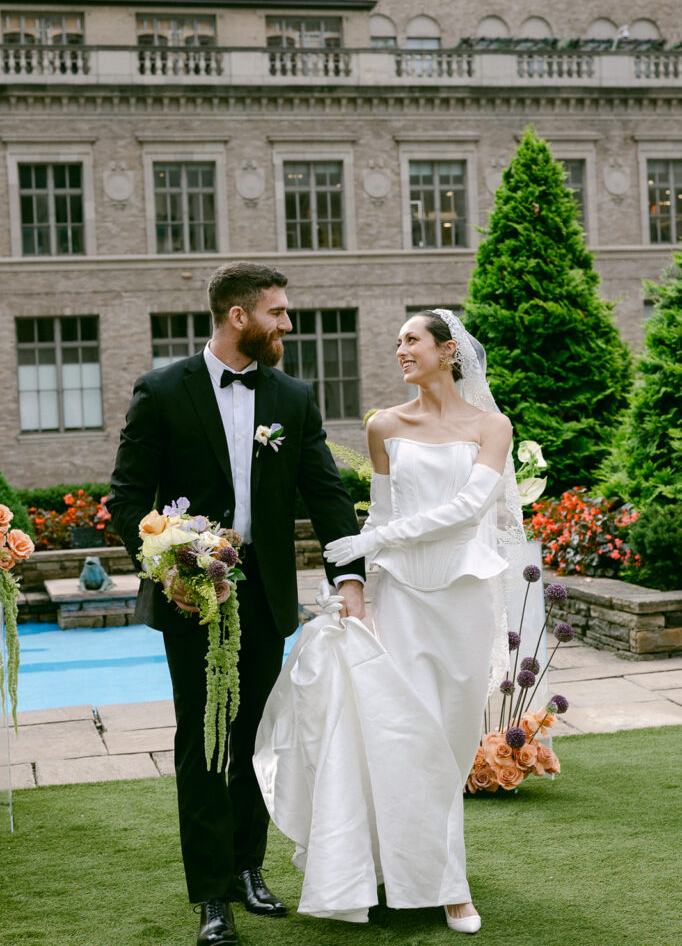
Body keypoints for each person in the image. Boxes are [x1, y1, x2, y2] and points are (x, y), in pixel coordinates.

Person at [108, 261, 365, 946]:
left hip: (265, 596)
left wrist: (352, 576)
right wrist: (172, 558)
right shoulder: (161, 391)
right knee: (203, 742)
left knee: (254, 738)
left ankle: (250, 868)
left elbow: (326, 492)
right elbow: (127, 498)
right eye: (278, 311)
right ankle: (212, 896)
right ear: (238, 316)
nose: (289, 322)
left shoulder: (292, 396)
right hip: (190, 597)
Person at [254, 309, 525, 934]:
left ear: (447, 350)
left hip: (461, 599)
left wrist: (370, 545)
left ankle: (432, 867)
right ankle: (444, 886)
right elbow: (378, 515)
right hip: (398, 593)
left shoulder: (492, 426)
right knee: (402, 736)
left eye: (411, 340)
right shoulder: (383, 425)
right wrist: (354, 585)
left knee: (451, 745)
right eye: (396, 340)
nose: (399, 349)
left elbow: (467, 509)